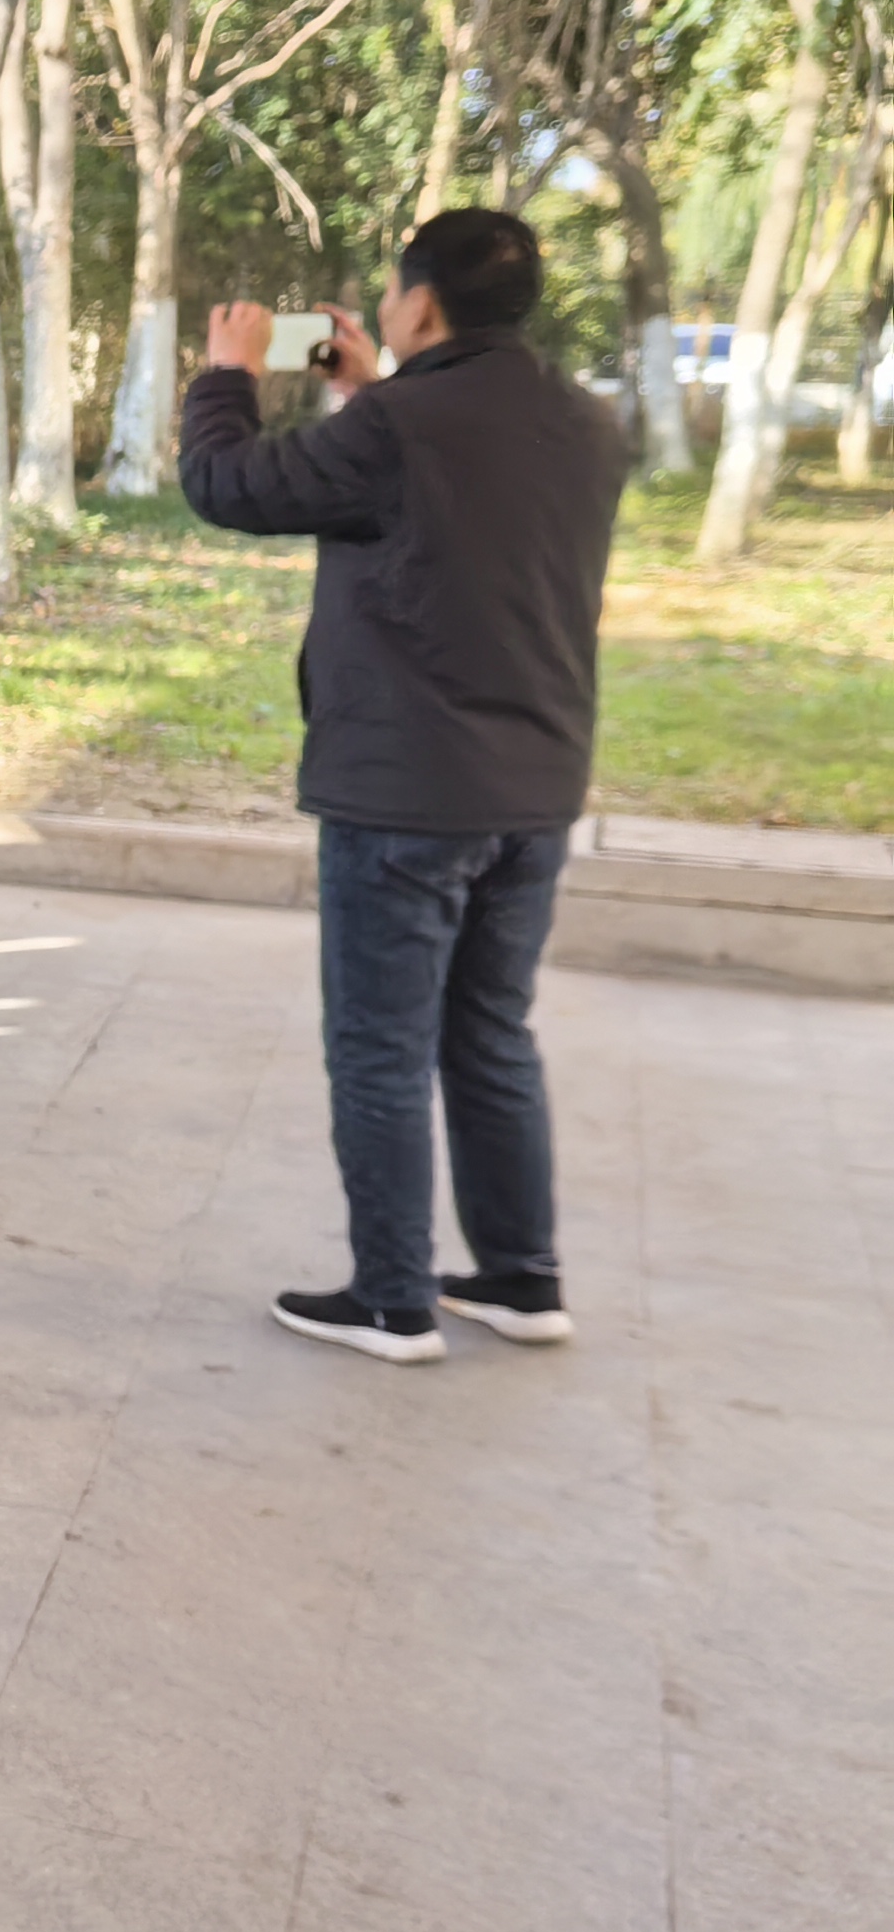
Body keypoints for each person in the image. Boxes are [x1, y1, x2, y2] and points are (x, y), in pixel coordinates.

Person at [182, 207, 622, 1364]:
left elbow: (227, 484)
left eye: (392, 293)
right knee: (490, 1035)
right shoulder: (584, 420)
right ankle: (521, 1279)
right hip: (535, 787)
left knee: (378, 1048)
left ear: (420, 303)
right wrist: (368, 389)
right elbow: (454, 500)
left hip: (407, 793)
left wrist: (228, 374)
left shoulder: (396, 427)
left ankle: (390, 1298)